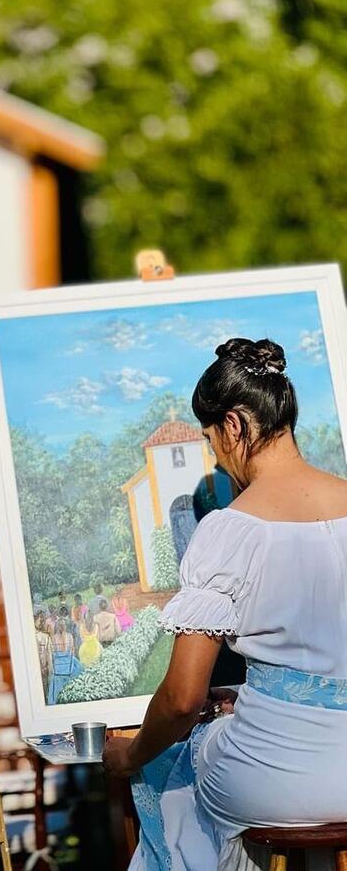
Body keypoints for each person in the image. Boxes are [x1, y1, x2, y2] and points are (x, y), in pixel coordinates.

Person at [102, 338, 347, 870]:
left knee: (174, 772)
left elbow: (181, 700)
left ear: (233, 425)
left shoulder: (230, 530)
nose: (216, 457)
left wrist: (129, 754)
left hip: (282, 780)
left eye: (212, 440)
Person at [48, 617, 81, 703]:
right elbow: (72, 651)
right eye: (63, 625)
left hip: (59, 666)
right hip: (67, 664)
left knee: (54, 675)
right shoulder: (69, 636)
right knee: (78, 668)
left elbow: (53, 653)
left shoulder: (54, 638)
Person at [35, 613, 54, 700]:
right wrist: (50, 670)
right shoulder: (45, 637)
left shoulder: (45, 637)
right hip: (43, 670)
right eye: (40, 620)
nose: (41, 622)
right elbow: (50, 656)